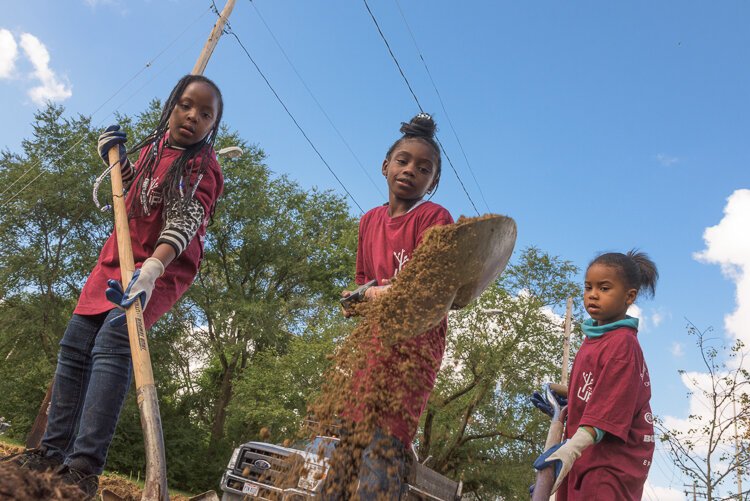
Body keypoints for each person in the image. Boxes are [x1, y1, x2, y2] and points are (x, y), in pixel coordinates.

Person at [3, 74, 224, 499]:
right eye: (186, 105)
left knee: (112, 342)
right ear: (171, 107)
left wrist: (151, 271)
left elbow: (183, 221)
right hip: (116, 256)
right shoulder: (153, 149)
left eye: (205, 113)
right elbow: (133, 195)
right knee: (75, 344)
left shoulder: (202, 167)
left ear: (213, 126)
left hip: (162, 263)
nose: (193, 117)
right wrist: (114, 158)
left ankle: (83, 468)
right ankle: (51, 452)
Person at [321, 112, 454, 499]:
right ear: (385, 166)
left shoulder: (434, 218)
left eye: (424, 168)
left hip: (414, 351)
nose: (411, 170)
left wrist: (369, 295)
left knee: (385, 444)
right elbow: (366, 287)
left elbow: (426, 288)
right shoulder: (369, 222)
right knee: (348, 440)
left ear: (433, 181)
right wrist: (354, 302)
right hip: (373, 347)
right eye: (403, 160)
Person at [533, 250, 659, 500]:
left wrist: (569, 451)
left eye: (604, 288)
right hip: (584, 447)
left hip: (612, 460)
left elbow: (610, 408)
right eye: (588, 287)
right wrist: (569, 405)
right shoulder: (592, 339)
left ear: (629, 297)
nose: (592, 294)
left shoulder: (622, 345)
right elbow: (594, 391)